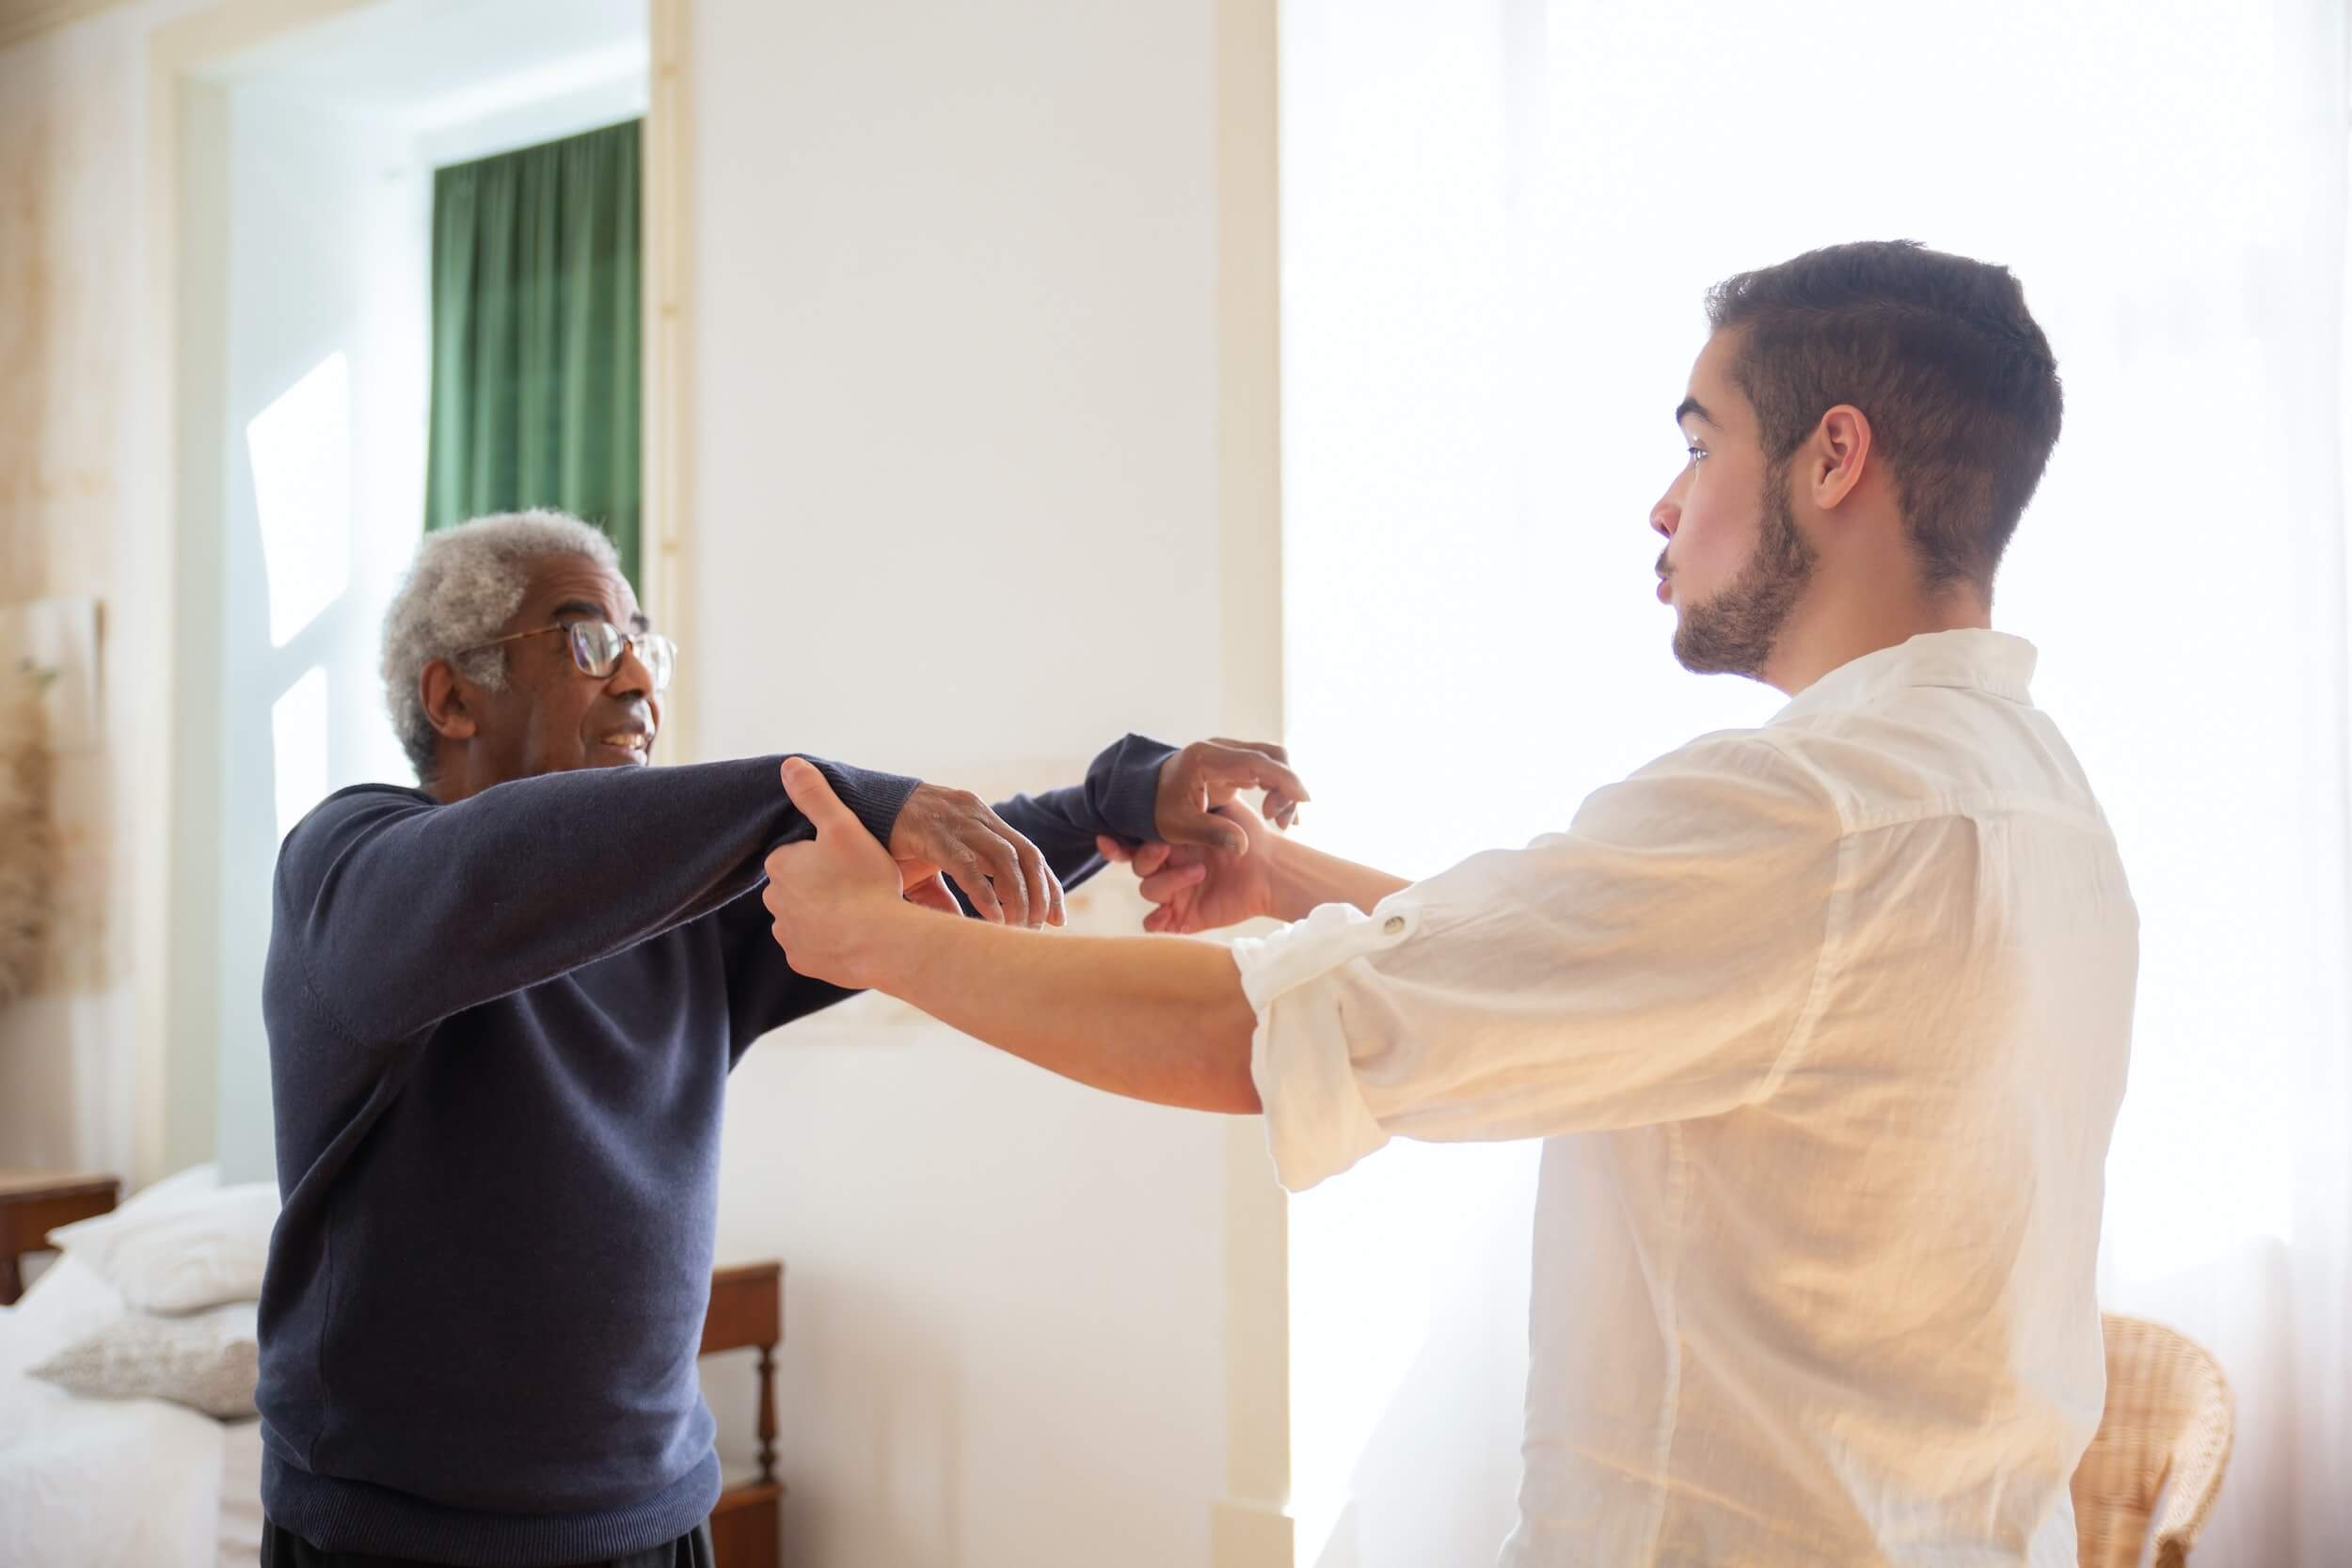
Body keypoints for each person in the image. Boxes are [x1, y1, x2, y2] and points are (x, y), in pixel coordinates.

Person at [760, 241, 2137, 1567]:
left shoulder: (1805, 815)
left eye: (1701, 441)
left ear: (1834, 456)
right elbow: (1613, 965)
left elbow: (1262, 1037)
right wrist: (1282, 873)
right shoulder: (2037, 799)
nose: (1666, 501)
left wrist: (880, 936)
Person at [254, 509, 1307, 1567]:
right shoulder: (347, 870)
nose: (636, 681)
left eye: (643, 644)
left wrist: (1110, 803)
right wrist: (820, 796)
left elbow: (920, 878)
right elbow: (500, 868)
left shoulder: (676, 920)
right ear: (451, 695)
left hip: (655, 1517)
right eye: (586, 641)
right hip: (396, 1541)